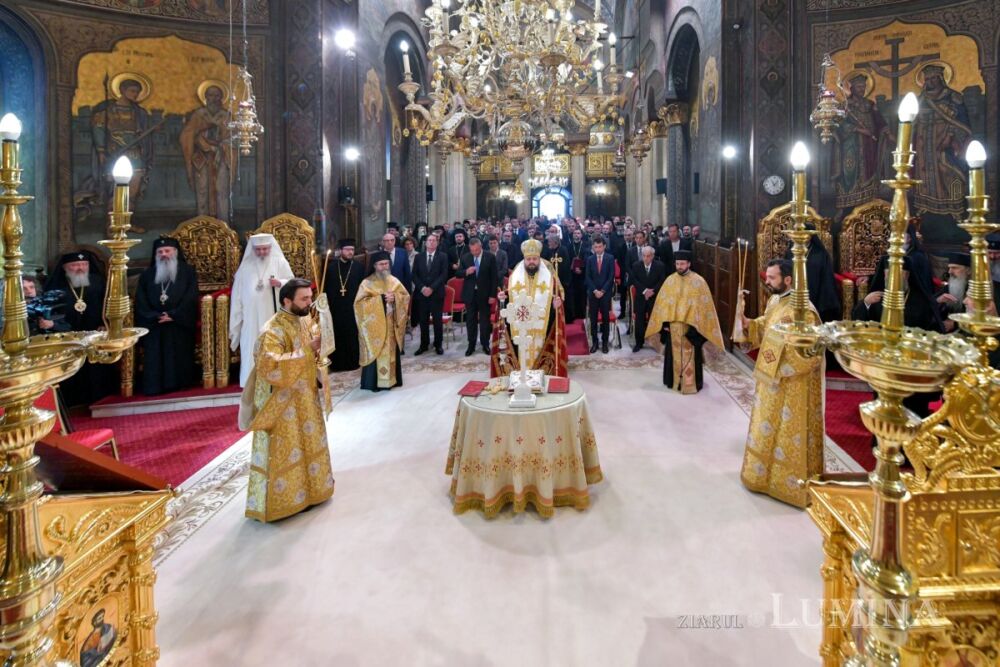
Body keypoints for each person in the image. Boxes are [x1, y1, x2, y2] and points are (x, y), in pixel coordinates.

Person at [239, 278, 335, 522]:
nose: (309, 302)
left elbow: (315, 347)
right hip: (283, 403)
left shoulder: (303, 319)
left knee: (309, 443)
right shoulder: (272, 330)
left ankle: (313, 491)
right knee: (288, 448)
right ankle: (285, 501)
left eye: (310, 297)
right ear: (287, 300)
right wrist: (307, 351)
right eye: (304, 299)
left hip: (305, 397)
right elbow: (269, 366)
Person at [739, 259, 824, 508]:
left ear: (788, 279)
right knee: (767, 425)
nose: (767, 281)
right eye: (768, 276)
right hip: (771, 378)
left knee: (788, 431)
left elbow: (810, 353)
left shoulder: (804, 311)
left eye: (772, 278)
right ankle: (762, 476)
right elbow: (766, 326)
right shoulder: (776, 300)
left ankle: (789, 485)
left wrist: (781, 358)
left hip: (793, 383)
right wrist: (748, 323)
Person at [645, 250, 724, 392]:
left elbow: (704, 308)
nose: (679, 266)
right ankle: (674, 381)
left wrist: (696, 328)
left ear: (689, 264)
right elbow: (662, 305)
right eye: (677, 264)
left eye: (682, 264)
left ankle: (690, 384)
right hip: (673, 328)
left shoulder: (699, 282)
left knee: (691, 357)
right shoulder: (670, 281)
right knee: (673, 356)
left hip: (691, 329)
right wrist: (664, 325)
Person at [45, 251, 115, 406]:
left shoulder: (98, 281)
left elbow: (110, 305)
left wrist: (106, 324)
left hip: (95, 330)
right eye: (75, 265)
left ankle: (99, 395)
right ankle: (73, 399)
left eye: (84, 265)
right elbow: (50, 309)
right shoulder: (57, 285)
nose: (80, 268)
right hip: (67, 333)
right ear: (65, 267)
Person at [491, 239, 567, 377]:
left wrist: (557, 304)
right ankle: (520, 374)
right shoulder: (515, 276)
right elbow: (510, 297)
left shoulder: (549, 277)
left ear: (539, 259)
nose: (531, 262)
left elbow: (557, 297)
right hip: (521, 330)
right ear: (524, 259)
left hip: (542, 329)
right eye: (529, 259)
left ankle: (542, 374)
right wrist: (503, 297)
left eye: (534, 259)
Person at [135, 238, 199, 396]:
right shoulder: (147, 275)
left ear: (175, 252)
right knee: (155, 353)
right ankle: (155, 386)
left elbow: (191, 297)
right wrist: (155, 316)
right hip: (154, 323)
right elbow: (141, 300)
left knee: (180, 349)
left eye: (167, 251)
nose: (164, 254)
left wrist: (174, 315)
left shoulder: (187, 271)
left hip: (179, 322)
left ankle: (181, 383)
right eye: (160, 252)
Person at [229, 234, 295, 387]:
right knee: (251, 347)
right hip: (250, 319)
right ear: (253, 250)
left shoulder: (279, 262)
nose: (262, 252)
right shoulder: (245, 268)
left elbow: (292, 284)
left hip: (273, 315)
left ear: (271, 248)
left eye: (265, 249)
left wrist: (280, 283)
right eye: (258, 250)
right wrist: (236, 321)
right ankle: (251, 384)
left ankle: (275, 381)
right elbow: (237, 297)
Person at [355, 252, 410, 391]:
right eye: (381, 264)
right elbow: (359, 304)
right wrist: (380, 300)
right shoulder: (366, 283)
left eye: (386, 263)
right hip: (376, 328)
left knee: (391, 352)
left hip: (391, 325)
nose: (384, 267)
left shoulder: (394, 281)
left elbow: (405, 296)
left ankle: (392, 380)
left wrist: (396, 299)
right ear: (374, 266)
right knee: (377, 352)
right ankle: (374, 383)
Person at [179, 83, 232, 218]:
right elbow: (187, 134)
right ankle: (202, 222)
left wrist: (220, 146)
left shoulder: (226, 116)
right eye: (210, 95)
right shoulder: (199, 114)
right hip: (201, 158)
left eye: (217, 95)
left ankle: (223, 224)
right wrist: (199, 141)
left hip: (221, 156)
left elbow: (232, 138)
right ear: (205, 97)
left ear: (221, 97)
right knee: (202, 190)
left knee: (221, 190)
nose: (213, 98)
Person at [324, 238, 365, 371]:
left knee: (352, 335)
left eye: (352, 250)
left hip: (353, 308)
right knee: (338, 335)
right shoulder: (331, 267)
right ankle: (337, 364)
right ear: (341, 251)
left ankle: (353, 362)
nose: (350, 252)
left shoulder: (359, 267)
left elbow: (363, 287)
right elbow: (327, 289)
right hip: (336, 309)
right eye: (347, 249)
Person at [784, 229, 841, 322]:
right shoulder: (791, 251)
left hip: (817, 288)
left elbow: (826, 274)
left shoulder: (820, 253)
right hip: (794, 287)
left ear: (810, 236)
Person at [459, 238, 498, 356]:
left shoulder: (490, 257)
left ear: (480, 246)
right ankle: (471, 345)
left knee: (485, 321)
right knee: (470, 320)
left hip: (485, 294)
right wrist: (466, 271)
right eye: (472, 250)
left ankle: (485, 344)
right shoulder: (465, 257)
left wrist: (492, 295)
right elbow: (457, 273)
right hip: (470, 294)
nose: (474, 252)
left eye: (476, 250)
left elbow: (494, 278)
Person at [412, 232, 448, 355]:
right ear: (425, 243)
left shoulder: (443, 256)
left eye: (434, 240)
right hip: (422, 295)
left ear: (437, 243)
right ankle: (424, 345)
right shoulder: (419, 257)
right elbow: (414, 275)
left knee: (437, 321)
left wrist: (431, 288)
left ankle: (438, 345)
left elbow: (443, 275)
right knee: (423, 321)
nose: (432, 242)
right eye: (430, 240)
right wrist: (422, 288)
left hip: (436, 293)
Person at [629, 246, 666, 352]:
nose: (646, 258)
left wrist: (652, 291)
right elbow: (634, 280)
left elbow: (662, 281)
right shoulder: (636, 265)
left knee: (654, 320)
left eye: (648, 256)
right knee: (639, 321)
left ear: (653, 256)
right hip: (641, 297)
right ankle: (639, 343)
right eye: (644, 256)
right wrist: (645, 291)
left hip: (654, 297)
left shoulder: (660, 266)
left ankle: (655, 342)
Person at [585, 235, 615, 353]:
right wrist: (595, 290)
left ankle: (605, 343)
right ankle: (595, 343)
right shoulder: (590, 259)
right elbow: (587, 277)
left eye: (600, 246)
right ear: (593, 247)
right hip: (593, 293)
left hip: (605, 293)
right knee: (593, 319)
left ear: (604, 246)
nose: (598, 249)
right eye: (596, 247)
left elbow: (611, 276)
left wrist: (602, 291)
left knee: (605, 319)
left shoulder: (610, 258)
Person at [937, 252, 970, 323]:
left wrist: (954, 323)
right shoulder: (948, 287)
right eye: (949, 268)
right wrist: (938, 300)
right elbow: (932, 302)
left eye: (954, 268)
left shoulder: (974, 290)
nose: (950, 272)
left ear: (968, 270)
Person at [566, 227, 590, 323]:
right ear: (572, 235)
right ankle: (574, 314)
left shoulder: (585, 245)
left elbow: (587, 259)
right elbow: (567, 260)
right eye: (575, 233)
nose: (576, 235)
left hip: (582, 275)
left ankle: (582, 314)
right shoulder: (568, 246)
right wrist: (573, 269)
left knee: (582, 295)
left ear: (581, 235)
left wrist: (581, 269)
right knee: (573, 295)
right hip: (572, 275)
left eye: (578, 233)